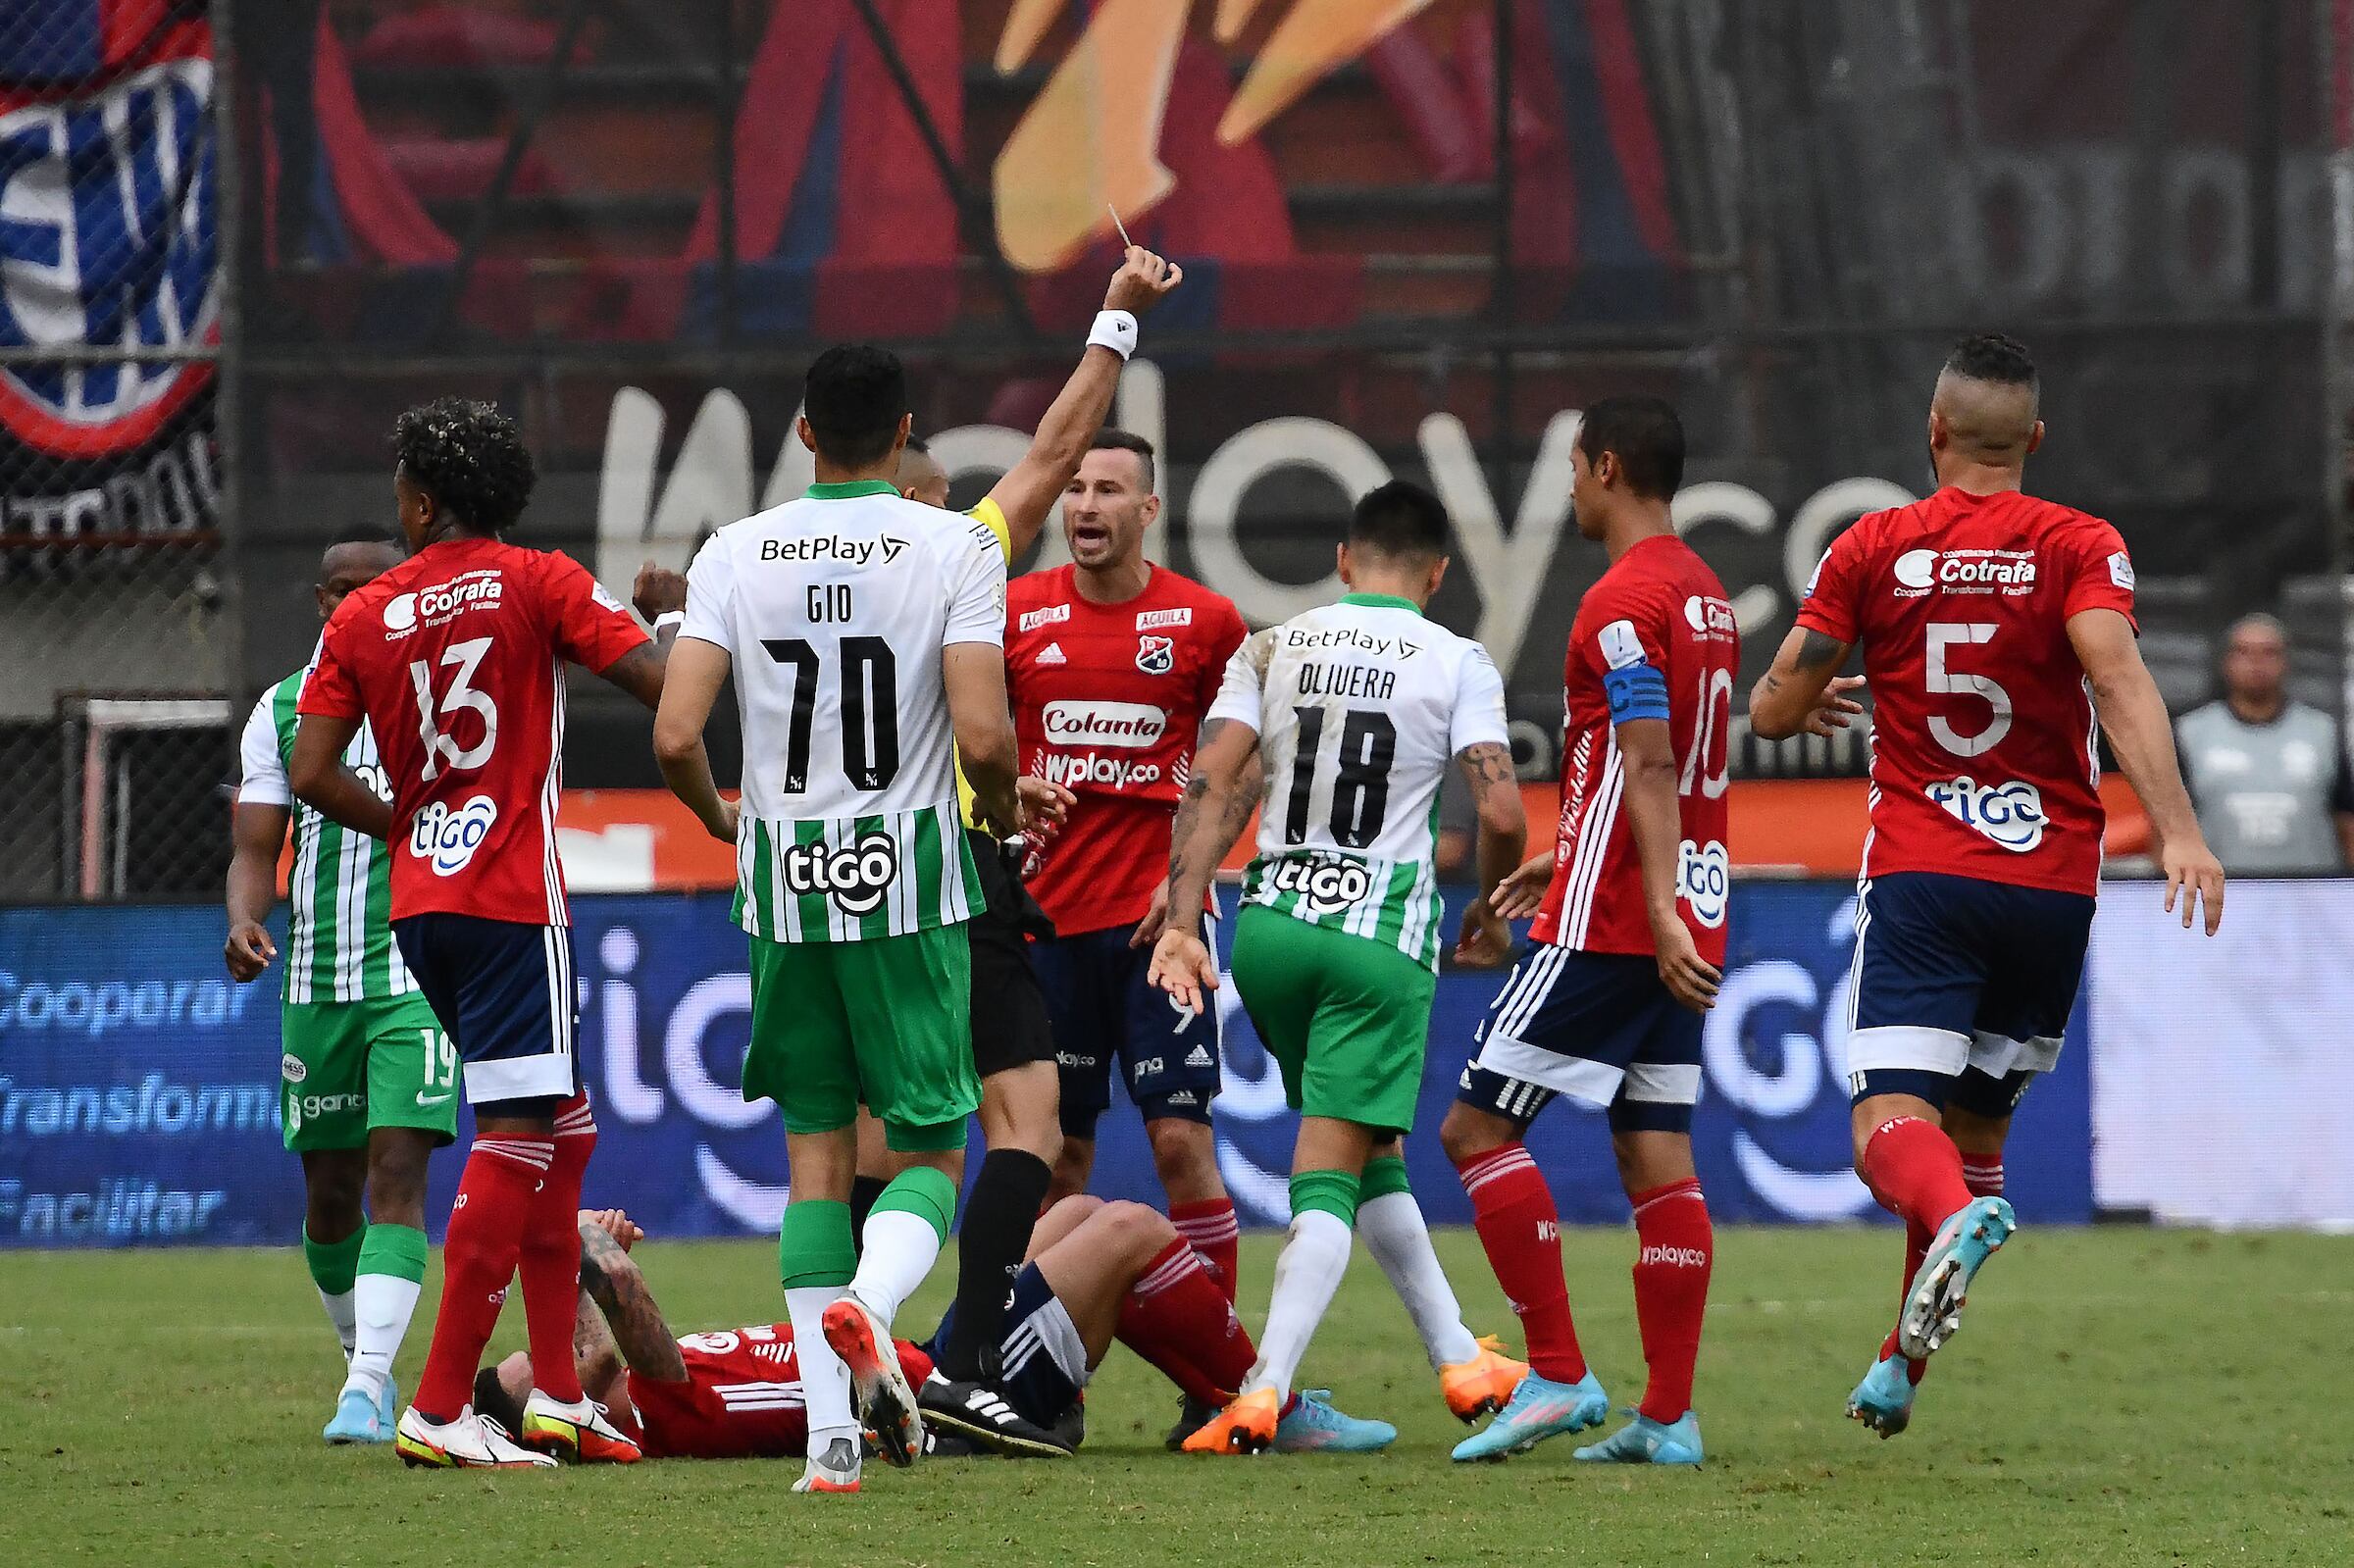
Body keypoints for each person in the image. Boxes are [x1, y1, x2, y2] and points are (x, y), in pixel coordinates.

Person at [1749, 332, 2225, 1439]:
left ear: (1933, 432)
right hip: (2054, 887)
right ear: (2036, 440)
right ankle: (1898, 1368)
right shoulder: (2078, 542)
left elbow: (1771, 711)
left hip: (1927, 873)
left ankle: (1961, 1217)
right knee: (1971, 1137)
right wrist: (2181, 830)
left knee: (1892, 1134)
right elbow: (2118, 677)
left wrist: (1800, 696)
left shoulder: (1873, 545)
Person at [651, 343, 1067, 1494]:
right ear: (906, 433)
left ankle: (829, 1445)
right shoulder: (954, 545)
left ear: (801, 432)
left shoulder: (734, 550)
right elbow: (982, 736)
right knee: (934, 1142)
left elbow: (676, 734)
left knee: (815, 1163)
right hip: (913, 886)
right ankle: (872, 1308)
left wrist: (731, 824)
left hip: (783, 888)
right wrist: (999, 805)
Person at [290, 398, 682, 1470]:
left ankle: (556, 1393)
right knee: (519, 1135)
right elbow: (661, 692)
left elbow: (311, 771)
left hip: (421, 904)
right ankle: (438, 1406)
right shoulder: (539, 579)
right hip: (513, 895)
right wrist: (673, 620)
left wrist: (410, 821)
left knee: (564, 1125)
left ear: (420, 500)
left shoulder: (361, 614)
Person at [1149, 480, 1531, 1455]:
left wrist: (1184, 917)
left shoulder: (1272, 645)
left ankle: (1460, 1357)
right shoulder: (1456, 659)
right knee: (1326, 1171)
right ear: (1439, 575)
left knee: (1367, 1153)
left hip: (1270, 932)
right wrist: (1486, 911)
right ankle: (1264, 1391)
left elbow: (1215, 776)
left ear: (1342, 559)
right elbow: (1499, 813)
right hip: (1375, 940)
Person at [880, 245, 1187, 1452]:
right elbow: (1058, 448)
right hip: (955, 868)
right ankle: (951, 1369)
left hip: (823, 890)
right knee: (1027, 1126)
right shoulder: (949, 554)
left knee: (857, 1147)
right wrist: (1115, 315)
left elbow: (690, 718)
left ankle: (848, 1367)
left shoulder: (764, 557)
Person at [1437, 397, 1749, 1468]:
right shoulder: (1707, 595)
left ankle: (1561, 1376)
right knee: (1655, 1150)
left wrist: (1642, 904)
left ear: (1608, 467)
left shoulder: (1619, 602)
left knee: (1474, 1133)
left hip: (1619, 919)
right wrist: (1569, 856)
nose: (1568, 487)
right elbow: (1641, 771)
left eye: (1572, 468)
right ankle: (1669, 1415)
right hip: (1685, 902)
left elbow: (1651, 760)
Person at [1004, 429, 1252, 1442]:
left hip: (1160, 934)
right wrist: (1003, 801)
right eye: (1075, 488)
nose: (1086, 504)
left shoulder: (1206, 621)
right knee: (1055, 1162)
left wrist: (1186, 890)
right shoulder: (1016, 614)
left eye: (1110, 489)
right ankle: (1036, 1379)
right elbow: (968, 744)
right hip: (1044, 930)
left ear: (1150, 508)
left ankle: (1218, 1380)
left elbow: (1241, 775)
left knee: (1182, 1144)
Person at [476, 1202, 1393, 1474]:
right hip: (956, 1402)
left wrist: (575, 1261)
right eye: (543, 1377)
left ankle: (1219, 1398)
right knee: (1134, 1234)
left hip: (927, 1358)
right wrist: (570, 1253)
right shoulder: (663, 1409)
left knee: (1073, 1208)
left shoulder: (643, 1384)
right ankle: (1263, 1398)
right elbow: (606, 1331)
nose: (553, 1360)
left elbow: (593, 1338)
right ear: (573, 1413)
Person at [225, 531, 454, 1446]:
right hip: (317, 979)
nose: (364, 600)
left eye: (382, 585)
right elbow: (254, 848)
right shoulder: (280, 709)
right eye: (347, 589)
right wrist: (244, 919)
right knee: (330, 1194)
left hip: (417, 972)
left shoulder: (436, 693)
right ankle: (373, 1366)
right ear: (323, 602)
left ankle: (361, 1390)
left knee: (398, 1175)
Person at [2174, 613, 2354, 873]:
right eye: (2243, 652)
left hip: (2313, 897)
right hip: (2220, 897)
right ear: (2225, 661)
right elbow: (2165, 827)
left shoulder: (2322, 731)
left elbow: (2346, 821)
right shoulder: (2191, 732)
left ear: (2287, 662)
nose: (2256, 663)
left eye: (2269, 652)